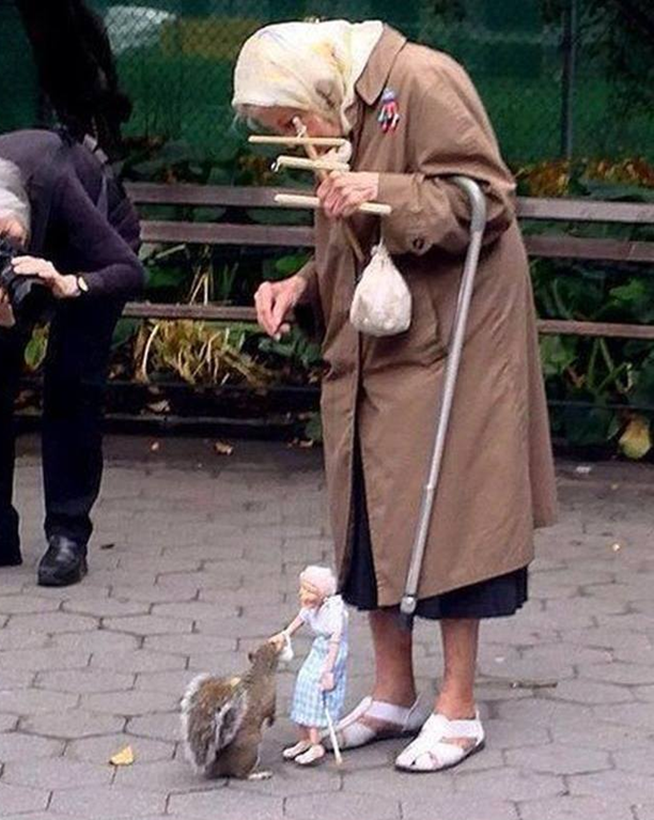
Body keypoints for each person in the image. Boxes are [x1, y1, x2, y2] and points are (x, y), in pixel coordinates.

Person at [233, 20, 557, 772]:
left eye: (291, 119)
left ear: (320, 86)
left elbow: (487, 201)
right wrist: (301, 287)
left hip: (457, 342)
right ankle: (392, 693)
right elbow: (355, 247)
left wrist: (385, 188)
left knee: (454, 515)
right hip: (379, 342)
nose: (294, 134)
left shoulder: (422, 81)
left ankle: (459, 708)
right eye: (279, 129)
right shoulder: (341, 115)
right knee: (370, 511)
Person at [0, 129, 144, 586]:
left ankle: (68, 535)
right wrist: (1, 324)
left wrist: (70, 284)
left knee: (72, 382)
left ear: (14, 209)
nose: (5, 252)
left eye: (6, 237)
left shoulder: (55, 183)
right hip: (13, 248)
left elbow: (129, 272)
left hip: (95, 257)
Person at [274, 565, 348, 766]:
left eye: (308, 590)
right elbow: (300, 619)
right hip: (319, 650)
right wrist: (285, 634)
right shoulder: (311, 607)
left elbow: (335, 641)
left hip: (331, 654)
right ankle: (304, 738)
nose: (302, 594)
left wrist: (328, 670)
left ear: (321, 593)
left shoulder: (333, 611)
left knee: (317, 693)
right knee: (303, 685)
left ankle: (316, 744)